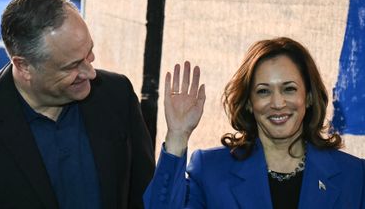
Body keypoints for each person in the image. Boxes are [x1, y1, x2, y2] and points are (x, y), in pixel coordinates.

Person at [0, 0, 155, 209]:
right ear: (24, 66)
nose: (90, 72)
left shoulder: (116, 95)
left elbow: (145, 196)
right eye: (72, 66)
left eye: (89, 53)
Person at [143, 37, 365, 208]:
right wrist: (178, 135)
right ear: (249, 102)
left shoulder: (353, 175)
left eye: (289, 89)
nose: (277, 103)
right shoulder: (210, 170)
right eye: (263, 91)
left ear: (307, 97)